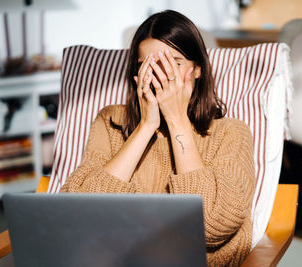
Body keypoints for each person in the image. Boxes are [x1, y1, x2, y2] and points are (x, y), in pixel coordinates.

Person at [61, 10, 256, 266]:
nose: (161, 76)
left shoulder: (230, 133)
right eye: (149, 65)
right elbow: (78, 216)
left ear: (197, 69)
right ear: (136, 73)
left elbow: (211, 225)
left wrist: (177, 120)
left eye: (173, 62)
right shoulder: (111, 123)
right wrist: (145, 126)